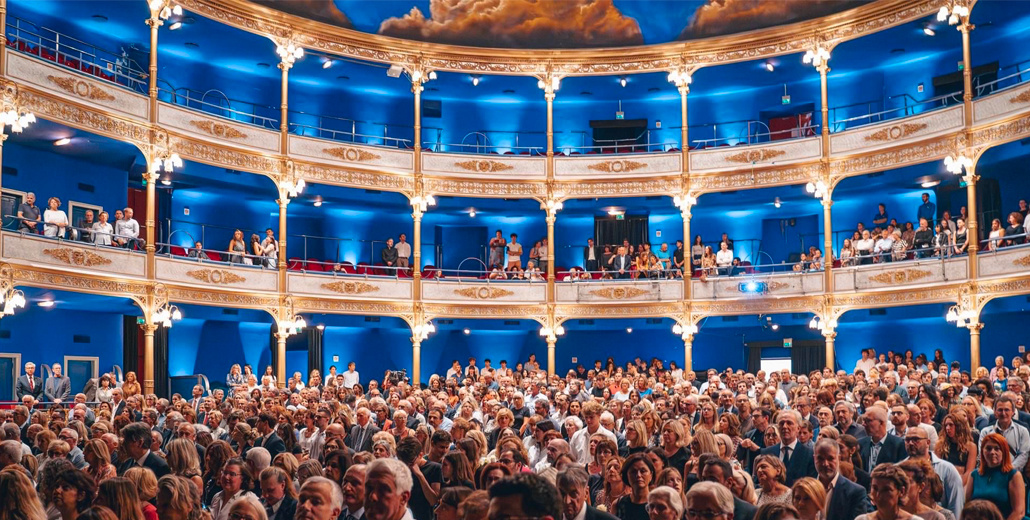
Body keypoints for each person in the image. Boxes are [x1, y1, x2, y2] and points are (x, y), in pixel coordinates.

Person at [966, 433, 1026, 520]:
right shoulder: (974, 475)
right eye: (988, 448)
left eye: (997, 449)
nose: (992, 452)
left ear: (1004, 452)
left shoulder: (1013, 475)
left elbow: (1019, 512)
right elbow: (968, 508)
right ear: (982, 451)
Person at [813, 439, 869, 520]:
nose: (825, 464)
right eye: (820, 458)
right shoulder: (806, 489)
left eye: (830, 458)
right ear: (814, 458)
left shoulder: (855, 492)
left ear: (838, 458)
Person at [613, 453, 655, 520]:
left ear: (651, 475)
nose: (638, 475)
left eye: (643, 471)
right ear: (627, 475)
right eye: (633, 472)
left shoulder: (657, 504)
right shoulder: (618, 504)